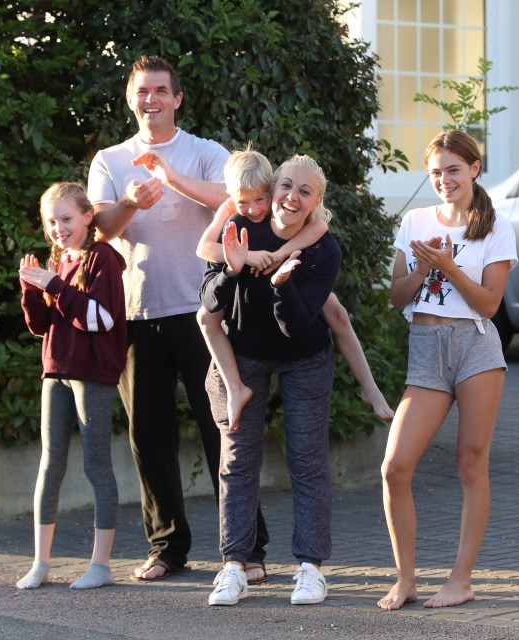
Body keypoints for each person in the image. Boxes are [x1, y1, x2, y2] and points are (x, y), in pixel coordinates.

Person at [87, 54, 269, 583]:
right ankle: (167, 548)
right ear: (130, 98)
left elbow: (236, 201)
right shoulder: (111, 159)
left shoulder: (206, 152)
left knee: (224, 433)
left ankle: (247, 548)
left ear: (177, 98)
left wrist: (171, 176)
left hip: (204, 312)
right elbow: (100, 228)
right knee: (150, 436)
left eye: (161, 91)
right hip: (137, 313)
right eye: (143, 91)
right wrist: (129, 202)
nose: (152, 100)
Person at [378, 130, 518, 611]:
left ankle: (461, 579)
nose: (444, 180)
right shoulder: (415, 220)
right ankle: (406, 579)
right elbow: (397, 297)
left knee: (470, 462)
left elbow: (489, 304)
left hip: (475, 347)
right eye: (436, 171)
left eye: (453, 170)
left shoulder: (495, 227)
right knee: (394, 467)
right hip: (426, 348)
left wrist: (448, 266)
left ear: (474, 169)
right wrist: (422, 269)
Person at [200, 155, 340, 607]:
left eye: (305, 192)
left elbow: (297, 326)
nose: (291, 197)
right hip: (244, 356)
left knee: (308, 459)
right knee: (238, 459)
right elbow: (208, 299)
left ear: (317, 202)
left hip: (305, 355)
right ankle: (234, 565)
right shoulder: (241, 222)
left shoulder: (323, 248)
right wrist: (232, 268)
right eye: (286, 185)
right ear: (270, 186)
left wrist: (281, 282)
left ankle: (311, 568)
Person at [193, 145, 394, 431]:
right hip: (248, 321)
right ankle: (234, 386)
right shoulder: (235, 214)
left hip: (296, 290)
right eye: (244, 203)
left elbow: (320, 227)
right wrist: (244, 259)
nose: (253, 209)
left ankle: (369, 387)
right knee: (205, 317)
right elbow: (204, 248)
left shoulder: (312, 225)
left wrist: (280, 255)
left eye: (259, 200)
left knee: (337, 313)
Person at [16, 182, 126, 591]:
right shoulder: (60, 261)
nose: (58, 228)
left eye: (66, 218)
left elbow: (100, 320)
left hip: (92, 374)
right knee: (51, 464)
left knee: (96, 465)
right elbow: (40, 326)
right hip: (55, 370)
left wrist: (53, 286)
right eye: (51, 221)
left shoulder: (103, 259)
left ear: (86, 217)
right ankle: (41, 562)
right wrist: (33, 290)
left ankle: (100, 565)